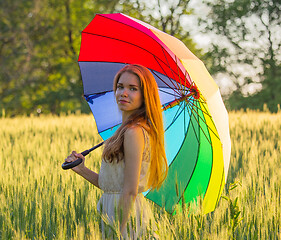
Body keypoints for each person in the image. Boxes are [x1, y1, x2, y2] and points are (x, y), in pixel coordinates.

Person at [65, 64, 168, 239]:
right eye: (120, 87)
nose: (123, 93)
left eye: (133, 88)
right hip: (116, 213)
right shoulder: (124, 131)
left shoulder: (134, 132)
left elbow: (129, 190)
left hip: (126, 219)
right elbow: (113, 187)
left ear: (145, 96)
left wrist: (118, 230)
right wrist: (82, 169)